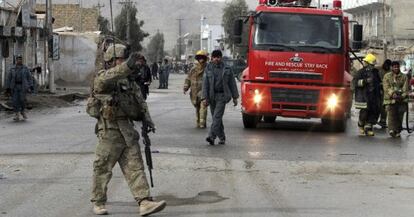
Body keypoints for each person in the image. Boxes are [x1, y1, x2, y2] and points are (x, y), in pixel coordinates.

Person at [89, 44, 166, 216]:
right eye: (121, 59)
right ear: (111, 61)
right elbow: (106, 79)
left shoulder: (129, 82)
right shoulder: (104, 78)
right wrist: (127, 66)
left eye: (125, 60)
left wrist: (147, 120)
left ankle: (144, 201)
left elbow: (140, 102)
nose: (124, 62)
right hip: (110, 131)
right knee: (102, 167)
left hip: (127, 131)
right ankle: (98, 202)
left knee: (136, 167)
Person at [202, 50, 239, 145]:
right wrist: (205, 98)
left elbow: (232, 83)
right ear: (212, 58)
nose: (216, 59)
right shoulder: (208, 68)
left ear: (221, 58)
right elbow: (205, 84)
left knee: (217, 116)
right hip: (211, 96)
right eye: (215, 57)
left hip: (222, 96)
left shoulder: (227, 68)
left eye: (218, 57)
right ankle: (222, 137)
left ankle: (211, 136)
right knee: (216, 118)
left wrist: (235, 97)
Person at [353, 53, 382, 136]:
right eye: (371, 64)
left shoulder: (376, 72)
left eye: (373, 65)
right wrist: (365, 81)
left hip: (374, 96)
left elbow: (378, 82)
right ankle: (361, 125)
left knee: (374, 111)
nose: (372, 66)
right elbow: (355, 83)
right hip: (364, 96)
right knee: (364, 112)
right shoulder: (360, 72)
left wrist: (380, 85)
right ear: (367, 63)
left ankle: (368, 128)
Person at [383, 61, 409, 138]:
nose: (396, 68)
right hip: (390, 100)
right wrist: (392, 93)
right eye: (394, 67)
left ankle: (397, 130)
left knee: (400, 115)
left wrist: (402, 96)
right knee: (391, 114)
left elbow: (406, 88)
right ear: (391, 67)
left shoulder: (404, 77)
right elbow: (386, 87)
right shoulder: (387, 76)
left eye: (397, 67)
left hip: (401, 100)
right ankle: (392, 130)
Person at [183, 50, 209, 128]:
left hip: (204, 91)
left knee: (203, 106)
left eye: (203, 58)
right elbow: (188, 79)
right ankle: (198, 121)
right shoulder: (193, 69)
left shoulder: (208, 68)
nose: (201, 60)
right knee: (197, 107)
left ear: (205, 59)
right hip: (194, 92)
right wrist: (185, 87)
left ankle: (202, 123)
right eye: (200, 58)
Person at [5, 54, 33, 121]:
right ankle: (16, 114)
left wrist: (31, 86)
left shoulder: (25, 68)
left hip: (23, 86)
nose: (19, 60)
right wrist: (7, 88)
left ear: (22, 60)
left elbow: (29, 78)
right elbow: (9, 78)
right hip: (14, 87)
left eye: (20, 59)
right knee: (15, 100)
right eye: (18, 59)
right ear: (16, 60)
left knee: (22, 100)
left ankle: (22, 111)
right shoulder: (12, 69)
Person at [377, 59, 392, 128]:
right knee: (377, 105)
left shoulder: (390, 72)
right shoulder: (378, 69)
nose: (387, 66)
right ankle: (373, 120)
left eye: (388, 66)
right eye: (386, 65)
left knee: (384, 106)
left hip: (385, 91)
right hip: (377, 90)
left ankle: (383, 121)